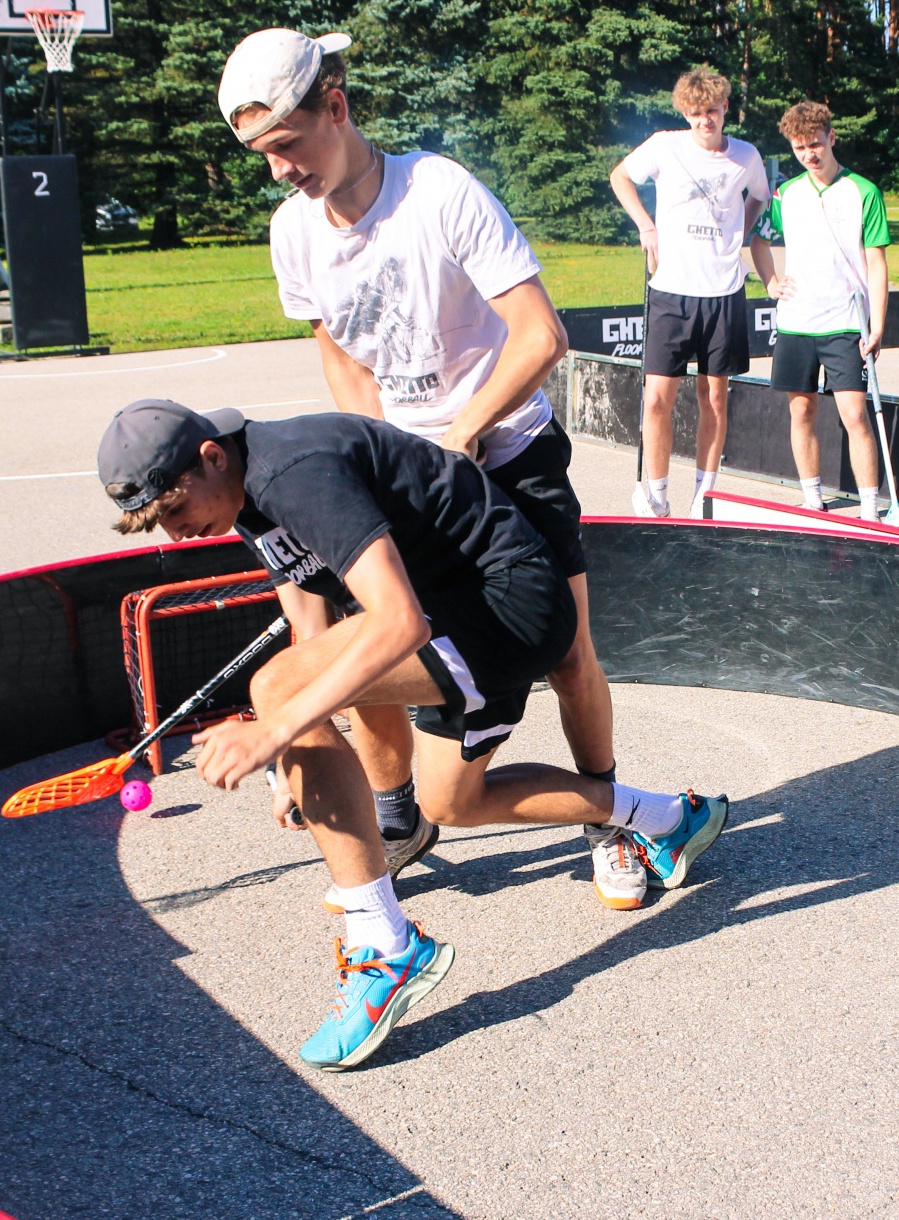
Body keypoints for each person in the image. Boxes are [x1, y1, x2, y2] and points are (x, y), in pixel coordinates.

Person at [98, 400, 729, 1069]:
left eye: (174, 508)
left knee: (275, 688)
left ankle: (384, 947)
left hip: (504, 608)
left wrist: (276, 725)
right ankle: (666, 819)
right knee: (452, 803)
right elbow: (314, 633)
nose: (174, 532)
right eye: (159, 523)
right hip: (454, 617)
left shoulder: (292, 471)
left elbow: (397, 623)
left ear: (211, 456)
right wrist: (293, 756)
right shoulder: (244, 495)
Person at [217, 28, 649, 911]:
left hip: (509, 450)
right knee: (364, 642)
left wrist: (460, 434)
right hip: (410, 475)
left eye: (288, 145)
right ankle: (398, 818)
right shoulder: (291, 232)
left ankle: (611, 821)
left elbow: (541, 336)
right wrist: (380, 462)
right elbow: (342, 358)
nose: (280, 171)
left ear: (336, 107)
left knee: (569, 656)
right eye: (262, 157)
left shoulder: (438, 190)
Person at [609, 68, 771, 520]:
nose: (705, 121)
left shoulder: (746, 155)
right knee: (657, 398)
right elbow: (620, 177)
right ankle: (658, 496)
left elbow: (760, 196)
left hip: (723, 292)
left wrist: (741, 229)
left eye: (713, 111)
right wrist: (646, 226)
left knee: (714, 398)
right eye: (696, 113)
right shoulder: (665, 145)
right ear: (685, 113)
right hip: (671, 292)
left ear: (725, 109)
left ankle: (704, 497)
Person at [749, 100, 890, 518]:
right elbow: (759, 241)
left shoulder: (864, 191)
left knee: (855, 415)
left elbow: (877, 263)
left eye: (815, 144)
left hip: (846, 322)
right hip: (796, 323)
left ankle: (869, 511)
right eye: (799, 148)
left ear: (831, 137)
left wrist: (878, 325)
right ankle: (813, 500)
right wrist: (771, 283)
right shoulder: (785, 194)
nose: (809, 154)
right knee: (801, 410)